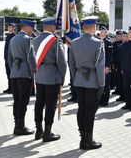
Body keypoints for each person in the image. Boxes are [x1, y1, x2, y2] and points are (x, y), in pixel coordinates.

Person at [69, 16, 105, 150]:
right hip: (92, 82)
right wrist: (101, 85)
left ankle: (82, 138)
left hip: (79, 81)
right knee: (90, 111)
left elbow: (71, 63)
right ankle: (88, 140)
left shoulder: (74, 42)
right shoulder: (98, 43)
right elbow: (100, 66)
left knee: (81, 109)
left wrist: (75, 79)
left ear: (83, 27)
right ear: (94, 27)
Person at [32, 17, 67, 142]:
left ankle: (38, 130)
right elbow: (62, 63)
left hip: (40, 76)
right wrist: (62, 78)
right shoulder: (55, 41)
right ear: (52, 27)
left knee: (39, 103)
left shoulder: (35, 40)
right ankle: (47, 132)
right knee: (51, 105)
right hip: (52, 77)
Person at [8, 19, 37, 135]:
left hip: (15, 72)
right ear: (28, 28)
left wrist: (14, 69)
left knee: (16, 100)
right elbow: (31, 58)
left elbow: (9, 58)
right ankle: (21, 126)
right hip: (25, 74)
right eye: (32, 29)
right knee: (23, 100)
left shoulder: (13, 39)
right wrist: (33, 73)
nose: (32, 31)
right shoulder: (28, 40)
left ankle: (17, 125)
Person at [99, 26, 113, 107]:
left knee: (106, 85)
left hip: (105, 67)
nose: (101, 32)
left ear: (106, 33)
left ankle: (105, 101)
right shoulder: (97, 41)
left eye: (103, 31)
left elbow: (110, 56)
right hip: (99, 67)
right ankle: (100, 100)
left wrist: (108, 66)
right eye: (101, 31)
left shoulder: (108, 43)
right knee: (100, 85)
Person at [115, 31, 128, 101]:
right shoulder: (120, 46)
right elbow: (117, 57)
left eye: (124, 36)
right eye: (122, 36)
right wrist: (116, 66)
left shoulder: (129, 45)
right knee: (120, 82)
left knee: (126, 83)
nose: (123, 37)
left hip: (126, 67)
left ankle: (127, 97)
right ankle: (121, 95)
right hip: (119, 66)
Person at [4, 22, 16, 94]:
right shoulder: (8, 36)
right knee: (8, 73)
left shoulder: (15, 36)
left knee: (12, 74)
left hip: (12, 59)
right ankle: (9, 87)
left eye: (10, 27)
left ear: (14, 28)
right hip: (7, 58)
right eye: (8, 27)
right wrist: (5, 57)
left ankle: (13, 88)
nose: (9, 28)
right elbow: (6, 48)